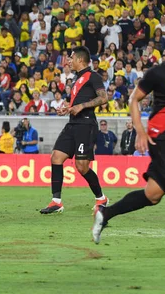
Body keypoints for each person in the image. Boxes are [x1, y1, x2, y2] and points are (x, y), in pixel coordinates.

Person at [93, 26, 165, 243]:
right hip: (160, 139)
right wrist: (140, 131)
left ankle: (105, 214)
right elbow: (134, 99)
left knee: (152, 195)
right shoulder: (160, 73)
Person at [41, 46, 109, 214]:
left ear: (80, 59)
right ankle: (56, 202)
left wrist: (82, 106)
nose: (68, 61)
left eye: (70, 58)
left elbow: (103, 97)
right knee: (56, 157)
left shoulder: (93, 77)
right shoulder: (76, 79)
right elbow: (76, 104)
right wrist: (67, 108)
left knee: (82, 166)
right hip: (73, 123)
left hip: (86, 125)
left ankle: (101, 198)